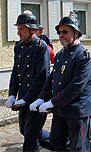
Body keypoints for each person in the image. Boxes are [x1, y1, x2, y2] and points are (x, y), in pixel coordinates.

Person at [29, 16, 91, 151]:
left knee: (79, 148)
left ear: (76, 33)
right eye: (59, 32)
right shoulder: (60, 55)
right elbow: (51, 79)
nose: (61, 35)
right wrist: (41, 98)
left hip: (77, 111)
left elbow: (76, 86)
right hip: (60, 110)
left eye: (65, 32)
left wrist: (52, 102)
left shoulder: (84, 56)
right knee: (56, 142)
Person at [4, 12, 52, 151]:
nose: (18, 32)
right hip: (23, 97)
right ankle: (62, 145)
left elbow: (42, 76)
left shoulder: (41, 47)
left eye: (21, 29)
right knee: (25, 130)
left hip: (36, 98)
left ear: (32, 29)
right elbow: (15, 73)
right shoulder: (18, 47)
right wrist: (12, 94)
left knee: (30, 138)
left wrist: (27, 99)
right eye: (18, 28)